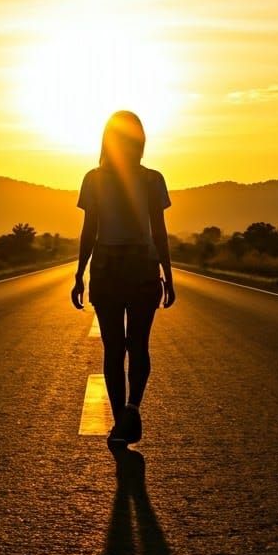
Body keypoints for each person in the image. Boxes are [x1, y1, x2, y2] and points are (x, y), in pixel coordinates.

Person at [71, 110, 176, 444]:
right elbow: (159, 233)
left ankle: (122, 421)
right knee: (137, 345)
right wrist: (168, 276)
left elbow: (90, 231)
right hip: (144, 268)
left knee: (114, 349)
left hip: (106, 269)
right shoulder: (152, 179)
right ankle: (131, 409)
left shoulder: (94, 179)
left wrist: (79, 275)